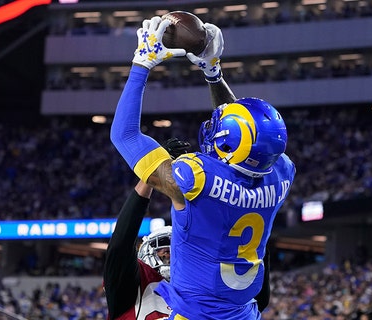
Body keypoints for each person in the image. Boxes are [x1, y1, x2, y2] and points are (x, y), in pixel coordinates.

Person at [110, 16, 295, 320]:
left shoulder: (195, 179)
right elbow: (246, 138)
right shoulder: (281, 174)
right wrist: (213, 74)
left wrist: (141, 64)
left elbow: (125, 135)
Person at [103, 139, 272, 320]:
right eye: (163, 251)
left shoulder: (203, 283)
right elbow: (120, 243)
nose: (169, 255)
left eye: (172, 250)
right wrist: (152, 173)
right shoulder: (134, 285)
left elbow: (257, 298)